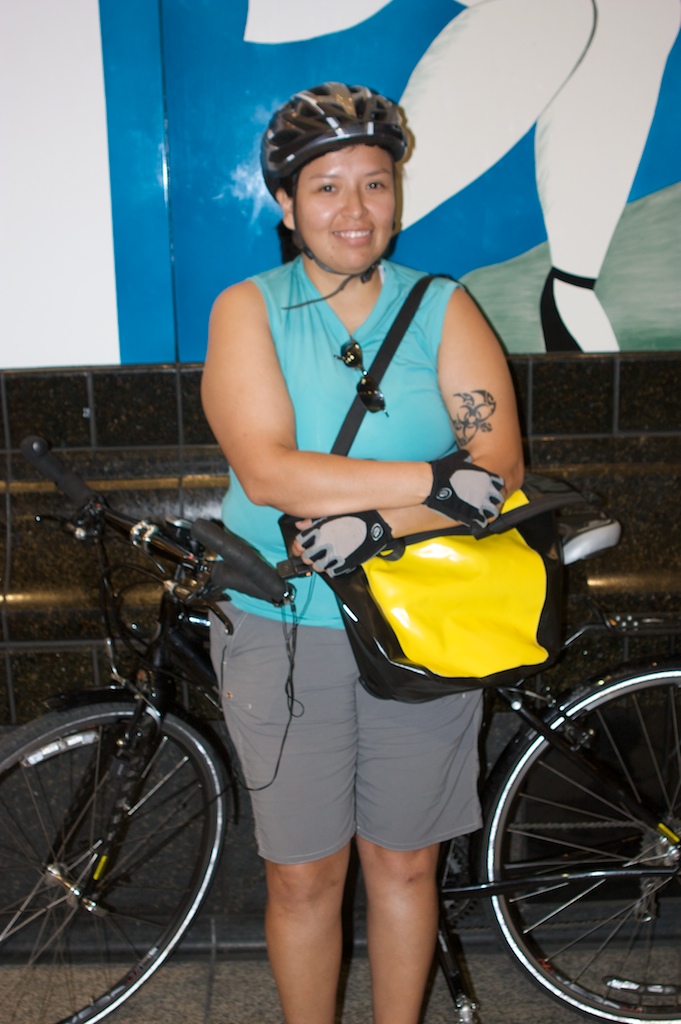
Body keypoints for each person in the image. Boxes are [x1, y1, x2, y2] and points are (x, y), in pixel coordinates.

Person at [202, 82, 524, 1024]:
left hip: (426, 620)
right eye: (328, 188)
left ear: (398, 193)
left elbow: (498, 468)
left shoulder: (441, 305)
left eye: (374, 185)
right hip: (280, 627)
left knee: (405, 859)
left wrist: (382, 523)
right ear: (287, 203)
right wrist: (430, 482)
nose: (354, 211)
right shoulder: (248, 309)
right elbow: (268, 473)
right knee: (304, 876)